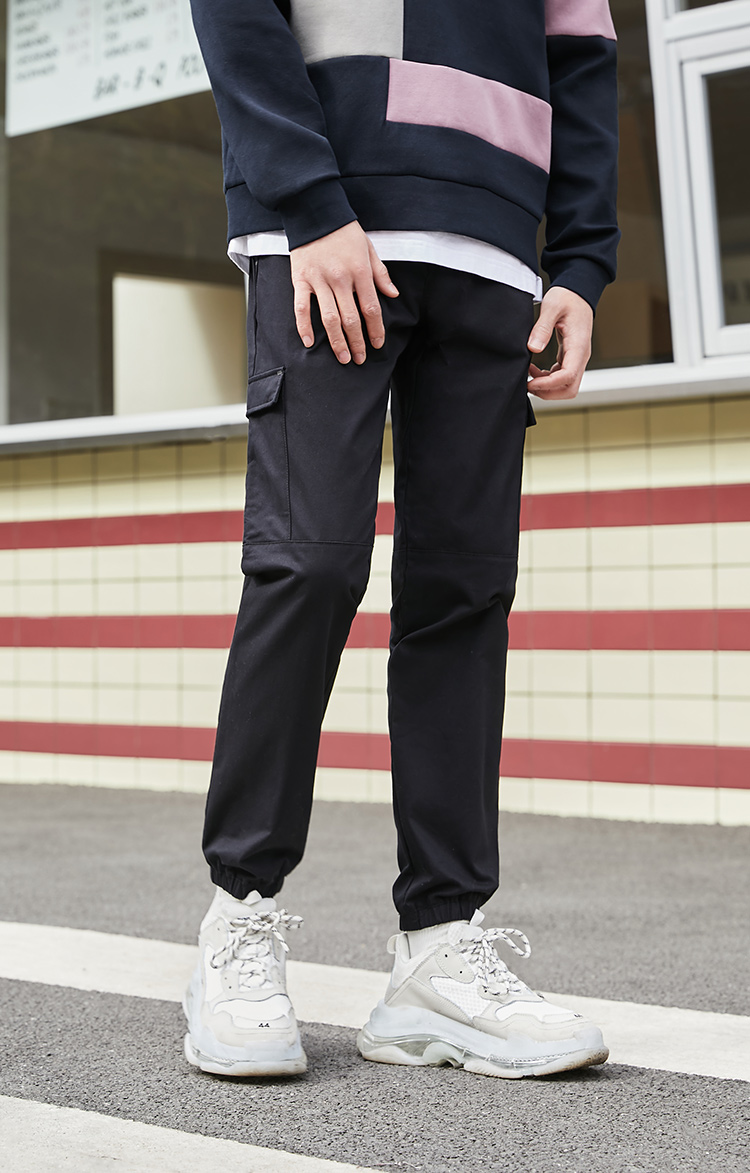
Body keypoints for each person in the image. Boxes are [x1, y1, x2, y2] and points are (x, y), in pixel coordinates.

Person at [184, 0, 620, 1079]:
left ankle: (439, 947)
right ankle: (239, 914)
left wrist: (581, 259)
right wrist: (307, 197)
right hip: (328, 223)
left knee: (463, 592)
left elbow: (582, 51)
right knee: (309, 563)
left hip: (494, 245)